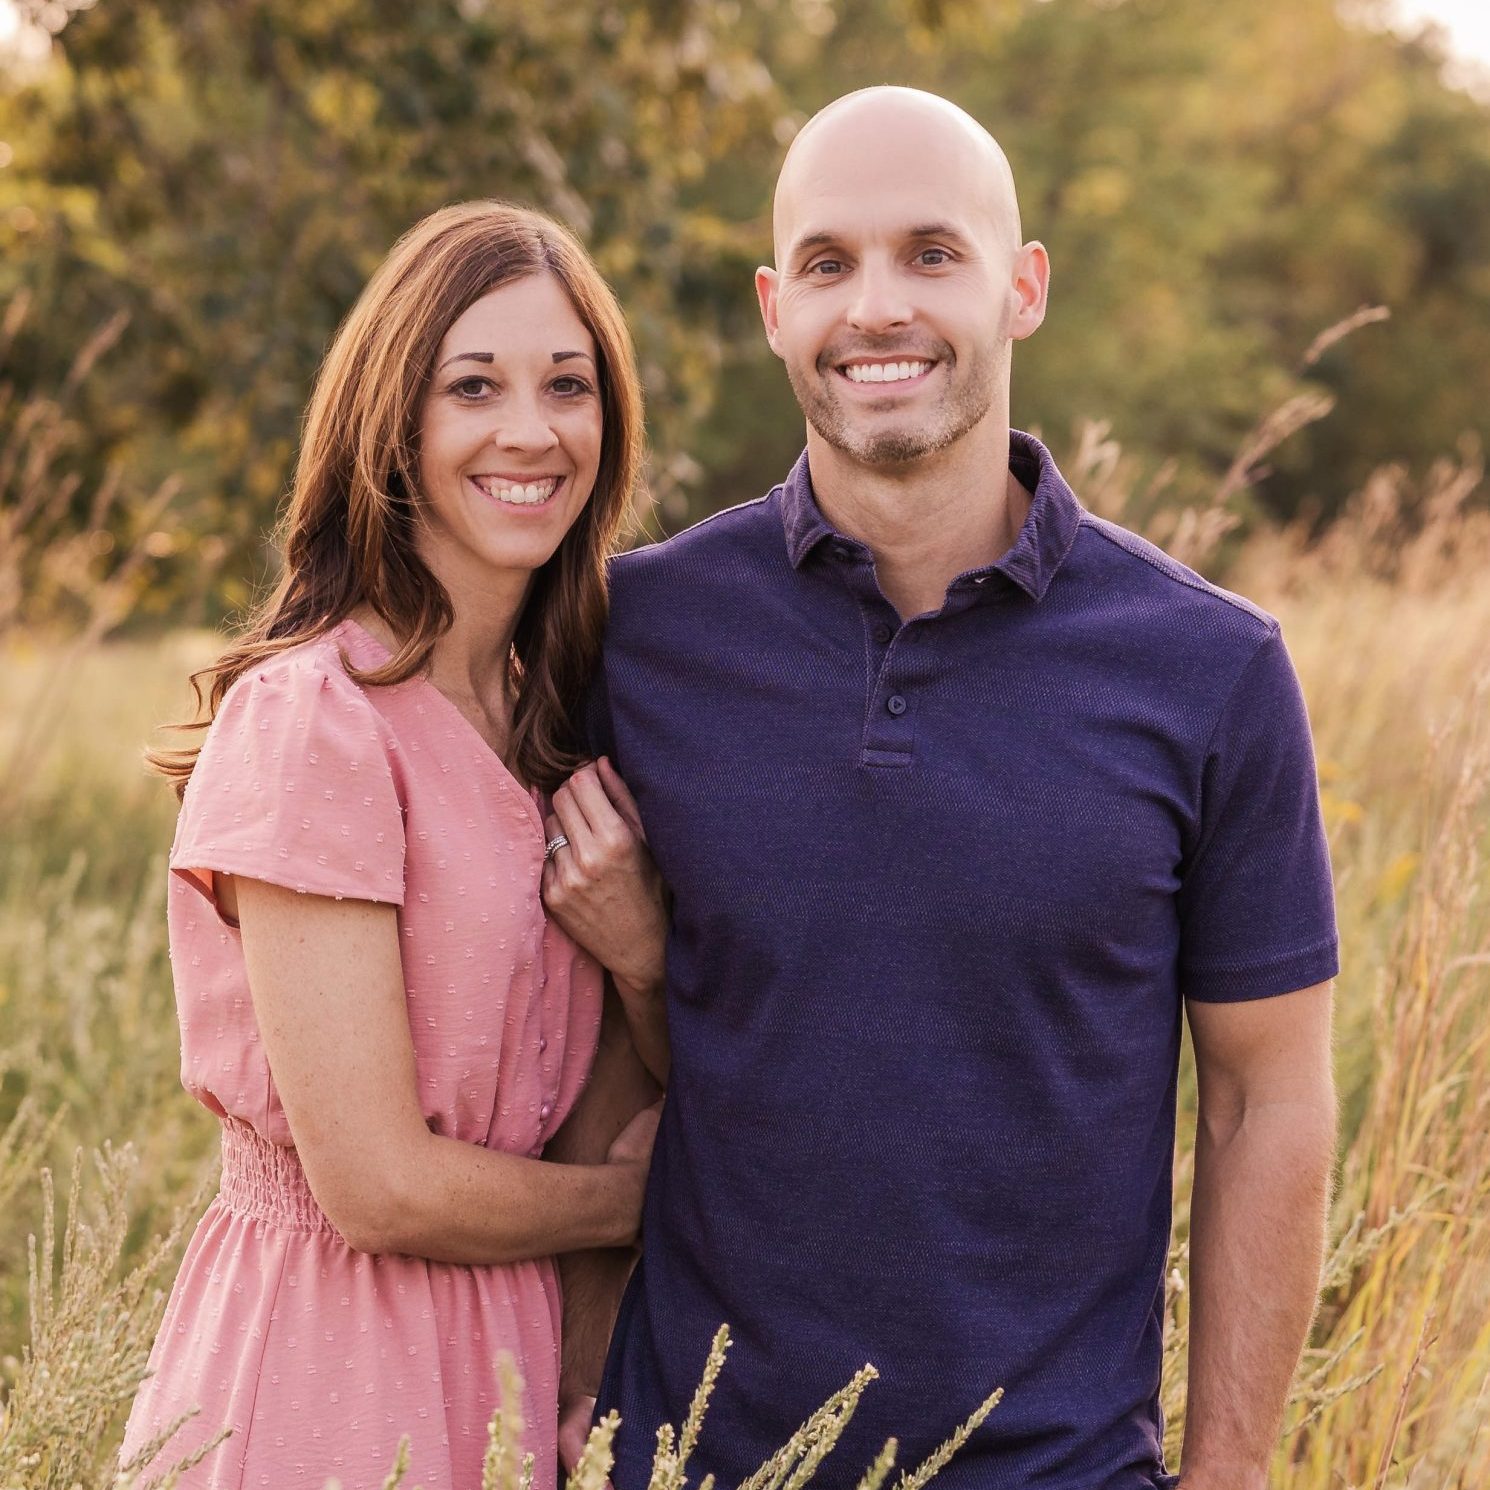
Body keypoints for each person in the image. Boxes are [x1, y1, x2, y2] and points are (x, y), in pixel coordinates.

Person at [568, 88, 1340, 1490]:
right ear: (770, 308)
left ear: (1021, 286)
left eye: (931, 252)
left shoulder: (1206, 668)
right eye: (826, 263)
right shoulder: (641, 632)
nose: (876, 307)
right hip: (690, 1463)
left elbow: (1262, 1101)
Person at [123, 201, 669, 1490]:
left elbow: (601, 1100)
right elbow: (375, 1184)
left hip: (515, 1361)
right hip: (329, 1356)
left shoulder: (565, 723)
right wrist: (644, 1203)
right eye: (472, 385)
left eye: (568, 386)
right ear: (395, 424)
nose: (530, 431)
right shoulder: (317, 723)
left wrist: (644, 960)